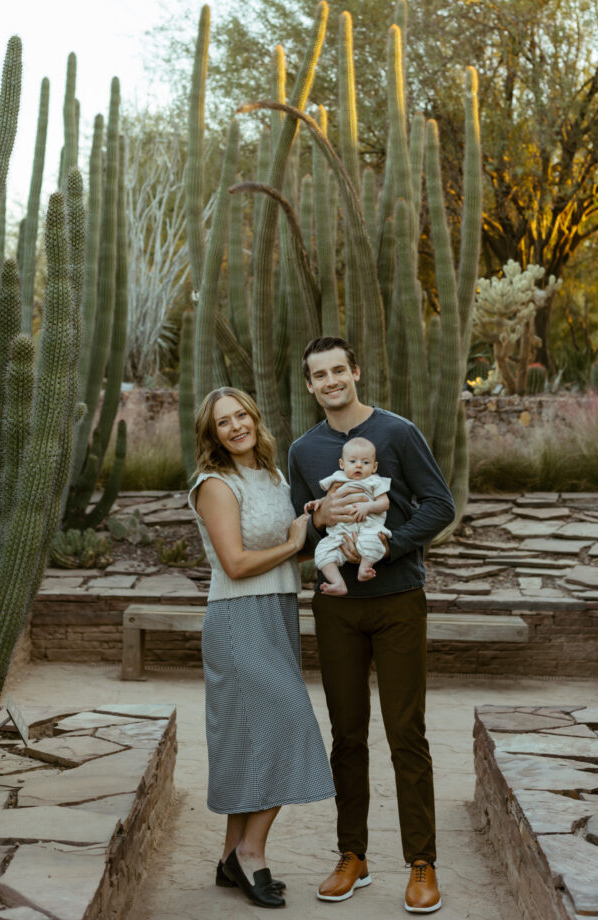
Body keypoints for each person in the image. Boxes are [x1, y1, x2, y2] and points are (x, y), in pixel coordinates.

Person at [288, 337, 455, 914]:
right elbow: (301, 533)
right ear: (309, 385)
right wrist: (319, 524)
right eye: (320, 374)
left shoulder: (399, 433)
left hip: (399, 600)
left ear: (355, 371)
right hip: (336, 609)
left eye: (340, 369)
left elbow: (439, 504)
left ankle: (422, 862)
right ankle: (352, 857)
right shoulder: (304, 451)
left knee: (407, 733)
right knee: (348, 735)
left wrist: (389, 546)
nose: (332, 380)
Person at [189, 386, 336, 910]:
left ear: (255, 418)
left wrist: (313, 522)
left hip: (276, 613)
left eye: (241, 416)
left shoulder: (273, 477)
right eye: (222, 422)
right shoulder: (215, 484)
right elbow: (235, 563)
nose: (235, 427)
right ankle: (252, 852)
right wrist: (297, 545)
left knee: (249, 737)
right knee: (290, 723)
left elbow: (289, 530)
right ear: (213, 435)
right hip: (237, 618)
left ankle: (230, 856)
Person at [304, 436, 391, 594]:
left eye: (365, 462)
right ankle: (338, 583)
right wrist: (318, 503)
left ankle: (364, 569)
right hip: (340, 533)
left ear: (374, 466)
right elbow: (330, 498)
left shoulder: (374, 482)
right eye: (352, 462)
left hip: (367, 528)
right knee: (322, 552)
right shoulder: (337, 478)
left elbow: (384, 503)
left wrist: (368, 507)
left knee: (374, 543)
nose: (359, 465)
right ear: (342, 464)